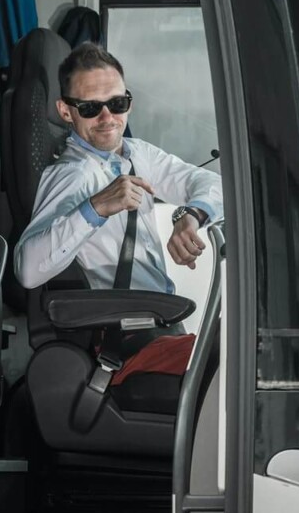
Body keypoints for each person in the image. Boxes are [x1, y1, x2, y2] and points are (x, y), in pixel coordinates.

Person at [14, 43, 222, 381]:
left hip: (162, 330)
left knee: (244, 343)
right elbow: (28, 270)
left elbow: (210, 183)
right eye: (90, 107)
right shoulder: (73, 175)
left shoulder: (135, 153)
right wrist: (96, 207)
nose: (108, 118)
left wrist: (190, 216)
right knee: (240, 355)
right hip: (125, 346)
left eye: (117, 103)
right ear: (66, 112)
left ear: (129, 102)